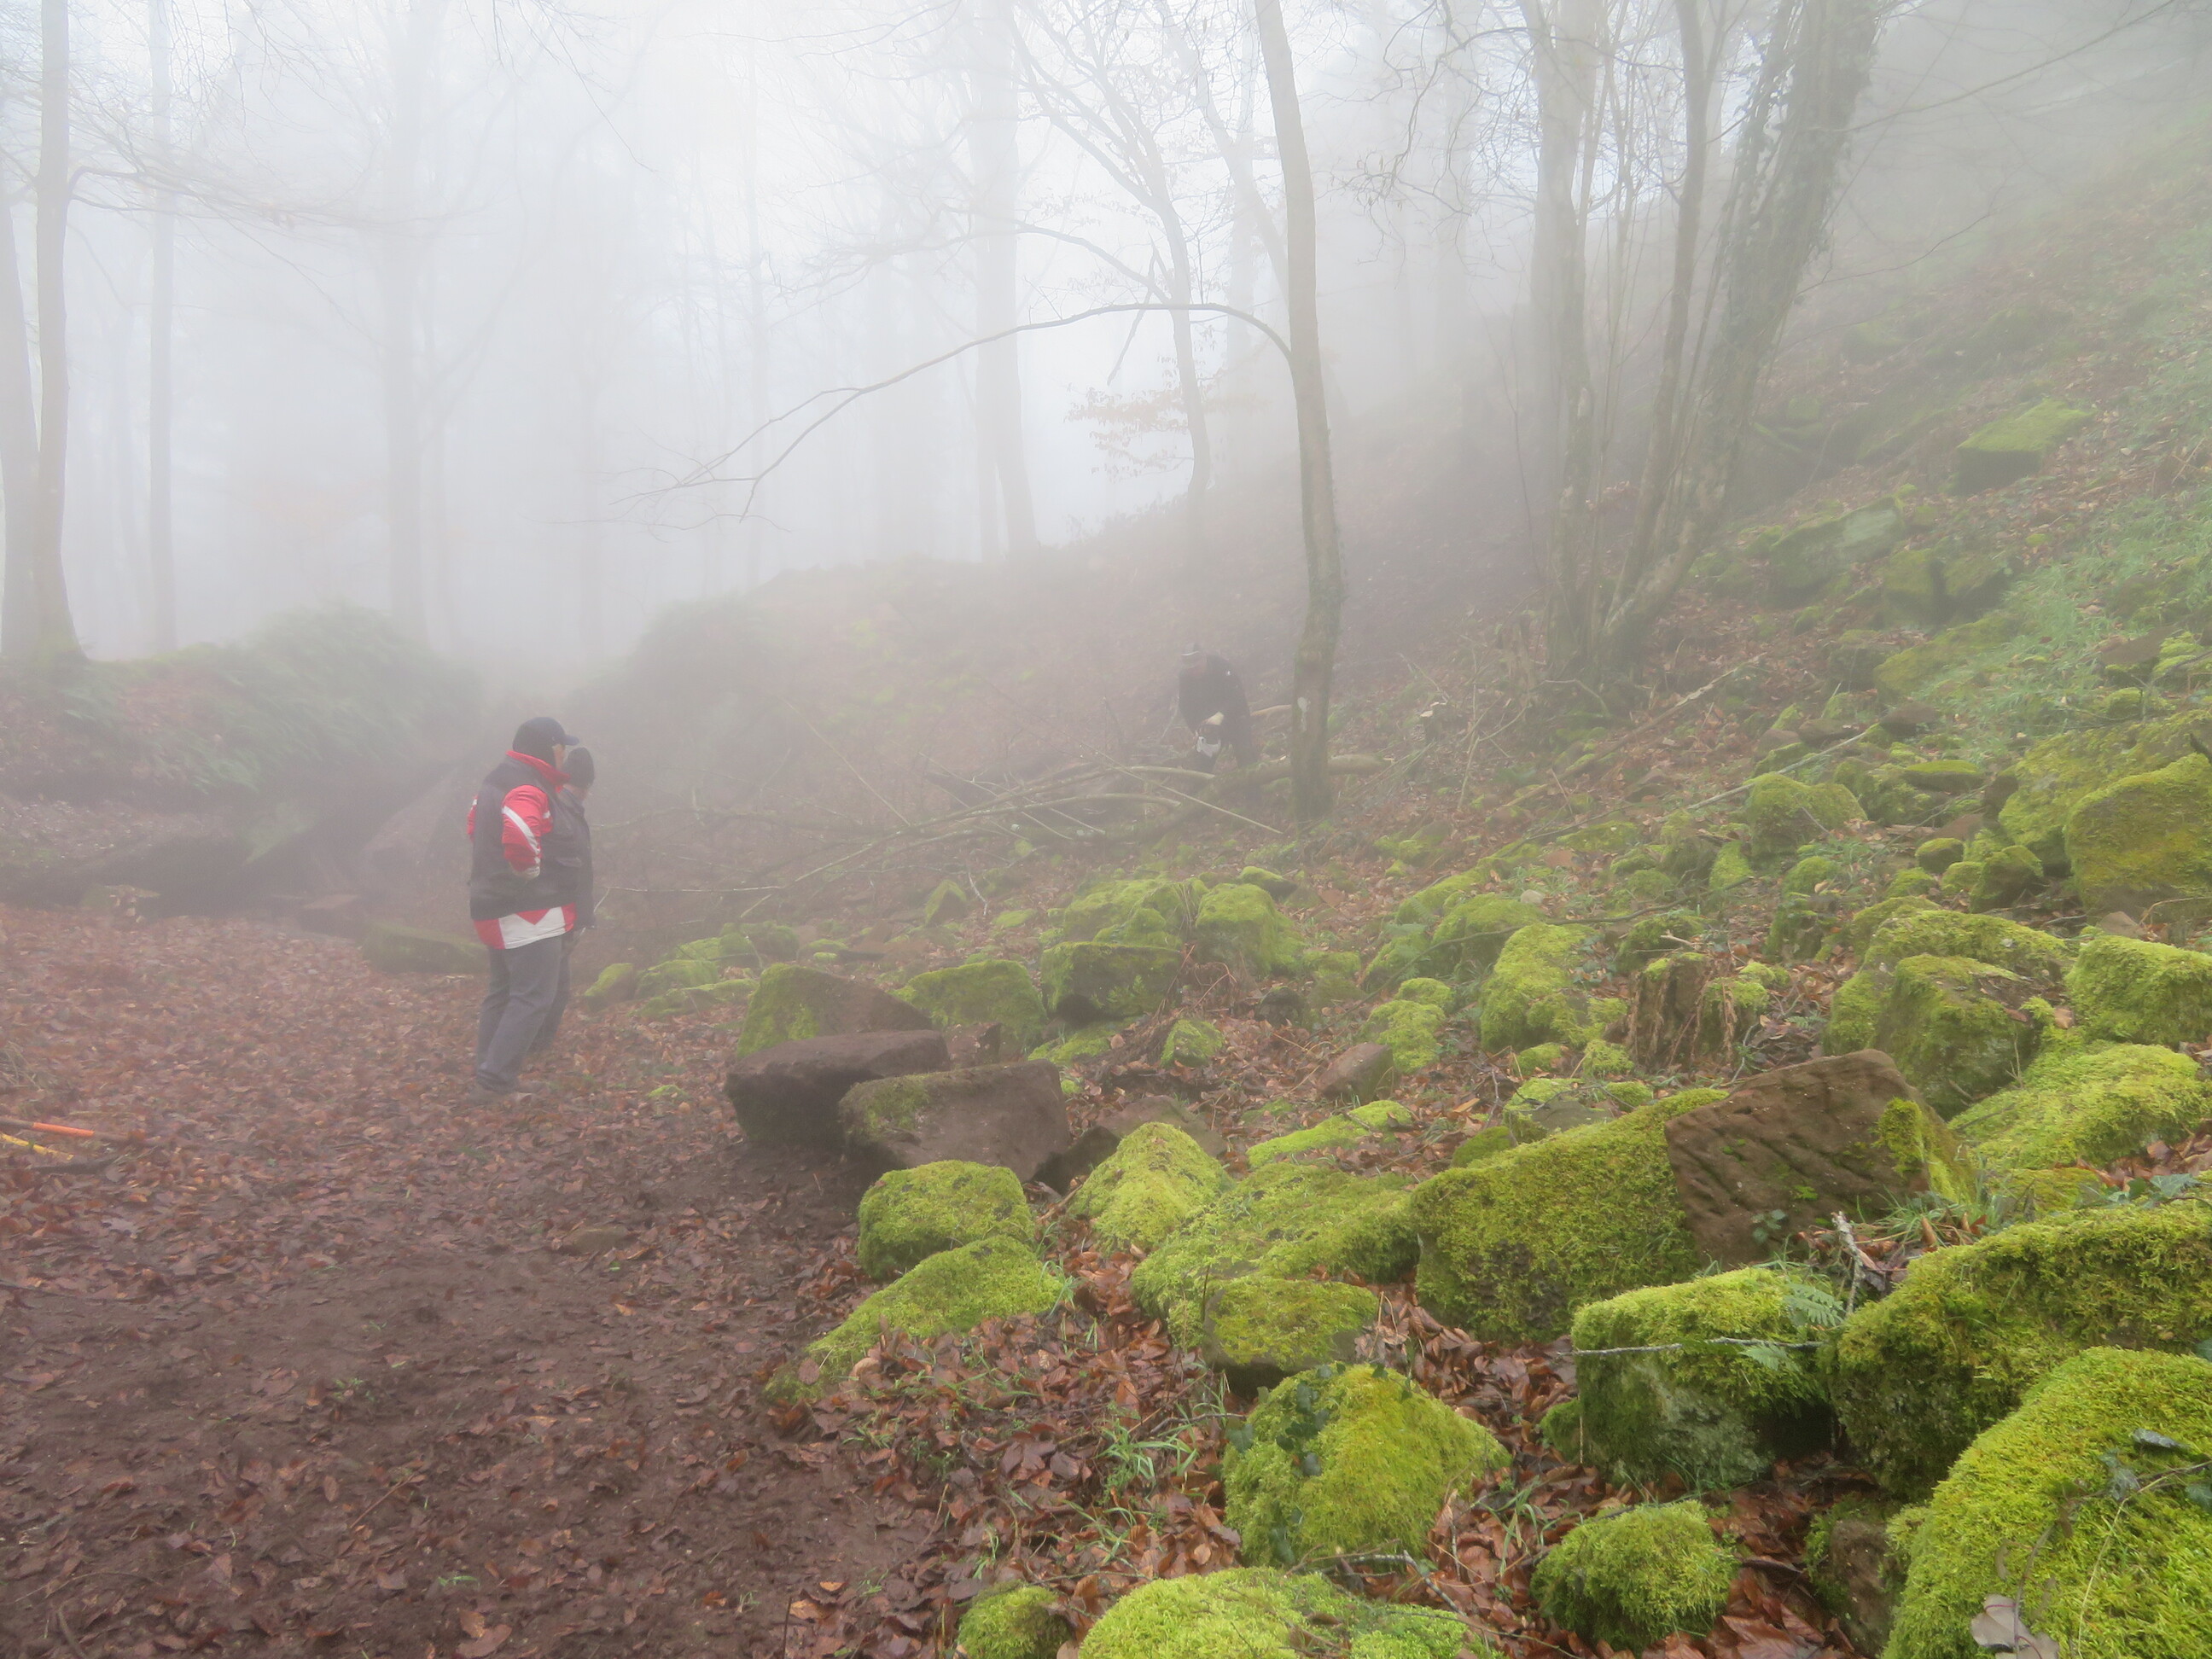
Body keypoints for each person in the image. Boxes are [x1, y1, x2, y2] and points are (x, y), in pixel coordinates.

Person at [466, 716, 580, 1103]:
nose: (564, 755)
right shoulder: (528, 785)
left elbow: (473, 826)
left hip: (492, 905)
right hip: (530, 913)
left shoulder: (496, 780)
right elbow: (517, 833)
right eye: (562, 747)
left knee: (502, 992)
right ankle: (495, 1083)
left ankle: (489, 1074)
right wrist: (529, 872)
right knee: (533, 998)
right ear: (551, 749)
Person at [533, 744, 596, 1058]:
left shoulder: (559, 807)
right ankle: (532, 1049)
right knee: (550, 989)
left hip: (555, 913)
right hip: (555, 914)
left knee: (554, 988)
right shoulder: (563, 811)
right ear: (587, 786)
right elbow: (572, 870)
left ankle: (535, 1049)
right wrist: (577, 917)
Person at [1176, 644, 1256, 772]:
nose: (1194, 672)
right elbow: (1186, 705)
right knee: (1203, 762)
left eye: (1197, 668)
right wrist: (1196, 728)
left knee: (1245, 756)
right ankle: (1203, 783)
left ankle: (1252, 782)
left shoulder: (1222, 667)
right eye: (1190, 669)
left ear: (1204, 659)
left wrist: (1221, 715)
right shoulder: (1185, 677)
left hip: (1236, 717)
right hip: (1209, 723)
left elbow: (1237, 697)